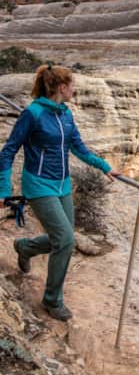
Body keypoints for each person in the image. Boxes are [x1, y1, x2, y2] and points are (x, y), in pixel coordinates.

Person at [0, 64, 120, 321]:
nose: (75, 90)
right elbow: (8, 150)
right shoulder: (33, 114)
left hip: (62, 184)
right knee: (65, 240)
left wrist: (104, 166)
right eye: (72, 86)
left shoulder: (65, 114)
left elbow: (79, 147)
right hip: (38, 185)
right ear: (62, 87)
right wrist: (4, 189)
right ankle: (52, 300)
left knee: (64, 238)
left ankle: (25, 247)